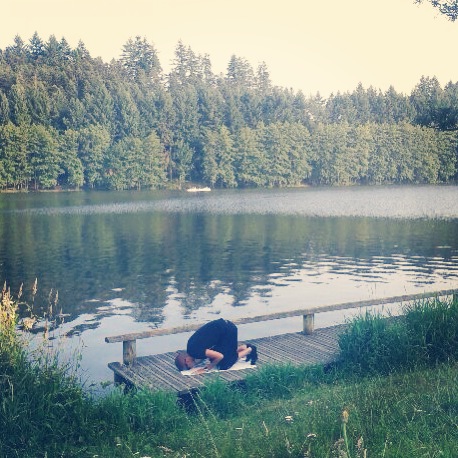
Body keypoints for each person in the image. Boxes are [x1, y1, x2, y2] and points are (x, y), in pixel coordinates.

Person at [174, 318, 257, 373]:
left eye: (188, 368)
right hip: (222, 329)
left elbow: (219, 356)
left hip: (227, 330)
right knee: (214, 359)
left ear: (187, 361)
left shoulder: (195, 352)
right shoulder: (191, 349)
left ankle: (249, 349)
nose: (191, 368)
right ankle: (243, 347)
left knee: (224, 364)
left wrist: (206, 369)